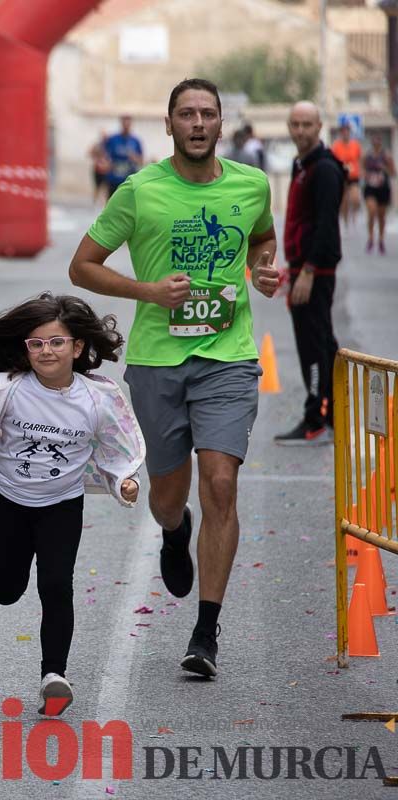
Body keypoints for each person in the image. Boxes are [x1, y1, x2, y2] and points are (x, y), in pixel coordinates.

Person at [68, 78, 281, 679]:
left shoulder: (251, 184)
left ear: (220, 123)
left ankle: (206, 632)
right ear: (168, 125)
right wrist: (148, 292)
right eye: (185, 114)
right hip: (158, 362)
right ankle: (174, 529)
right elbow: (81, 266)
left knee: (219, 484)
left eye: (207, 114)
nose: (197, 123)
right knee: (168, 498)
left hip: (228, 358)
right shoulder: (139, 191)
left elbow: (261, 239)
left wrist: (262, 271)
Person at [0, 293, 144, 716]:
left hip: (61, 506)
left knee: (55, 584)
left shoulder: (99, 398)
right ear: (25, 349)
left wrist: (125, 481)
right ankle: (14, 591)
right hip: (8, 501)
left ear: (78, 348)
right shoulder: (5, 388)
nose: (46, 351)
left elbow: (118, 448)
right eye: (37, 344)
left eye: (57, 343)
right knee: (6, 590)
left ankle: (54, 676)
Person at [275, 101, 343, 447]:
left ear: (319, 126)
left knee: (313, 344)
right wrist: (293, 268)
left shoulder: (325, 169)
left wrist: (309, 272)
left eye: (306, 124)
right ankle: (331, 414)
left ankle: (315, 416)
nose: (300, 131)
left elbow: (326, 225)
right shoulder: (302, 165)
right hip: (303, 268)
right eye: (295, 124)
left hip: (316, 272)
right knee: (322, 343)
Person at [363, 132, 393, 254]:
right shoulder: (367, 155)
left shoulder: (386, 155)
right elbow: (361, 169)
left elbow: (393, 172)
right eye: (374, 140)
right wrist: (366, 175)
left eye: (378, 140)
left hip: (383, 188)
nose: (376, 143)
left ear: (381, 142)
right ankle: (370, 238)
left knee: (381, 216)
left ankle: (380, 239)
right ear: (371, 142)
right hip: (370, 187)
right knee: (371, 211)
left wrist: (384, 168)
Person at [330, 123, 361, 228]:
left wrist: (362, 171)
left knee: (355, 198)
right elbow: (333, 160)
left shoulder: (355, 145)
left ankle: (354, 215)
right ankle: (345, 221)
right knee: (344, 201)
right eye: (343, 131)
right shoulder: (336, 146)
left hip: (353, 176)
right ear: (341, 133)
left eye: (347, 131)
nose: (345, 133)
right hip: (341, 176)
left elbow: (360, 158)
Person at [104, 115, 143, 195]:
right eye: (124, 124)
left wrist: (135, 158)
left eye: (128, 124)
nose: (126, 126)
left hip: (129, 180)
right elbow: (103, 153)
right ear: (121, 124)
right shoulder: (113, 139)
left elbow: (141, 160)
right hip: (114, 179)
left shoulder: (135, 141)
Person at [89, 132, 110, 205]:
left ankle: (103, 203)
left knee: (105, 188)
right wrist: (96, 159)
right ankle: (94, 202)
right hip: (97, 170)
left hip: (105, 170)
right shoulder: (98, 145)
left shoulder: (109, 146)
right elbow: (90, 152)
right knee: (97, 187)